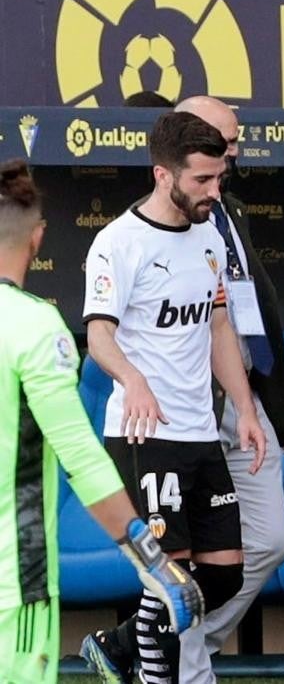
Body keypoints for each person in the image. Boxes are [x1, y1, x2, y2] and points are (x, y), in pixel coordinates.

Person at [78, 112, 267, 684]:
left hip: (201, 433)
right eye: (203, 181)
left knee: (225, 577)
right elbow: (99, 335)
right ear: (164, 175)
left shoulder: (209, 235)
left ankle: (113, 647)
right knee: (170, 584)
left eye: (219, 179)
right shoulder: (118, 242)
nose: (215, 191)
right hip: (144, 436)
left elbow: (216, 329)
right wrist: (132, 379)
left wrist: (247, 409)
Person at [0, 158, 203, 683]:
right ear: (38, 238)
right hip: (13, 588)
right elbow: (82, 459)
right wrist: (154, 562)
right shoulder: (35, 326)